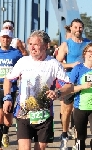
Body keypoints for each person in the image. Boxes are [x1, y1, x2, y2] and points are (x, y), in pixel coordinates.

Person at [3, 30, 74, 150]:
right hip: (23, 114)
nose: (32, 47)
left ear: (46, 45)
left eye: (36, 44)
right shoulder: (23, 61)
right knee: (25, 148)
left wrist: (57, 92)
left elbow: (69, 85)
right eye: (30, 44)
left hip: (44, 115)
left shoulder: (53, 64)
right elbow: (8, 79)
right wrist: (7, 97)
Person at [56, 18, 91, 149]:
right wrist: (71, 64)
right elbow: (57, 63)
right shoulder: (66, 44)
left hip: (85, 81)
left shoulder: (89, 43)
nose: (78, 30)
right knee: (66, 111)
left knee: (79, 112)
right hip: (70, 82)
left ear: (83, 28)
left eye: (80, 27)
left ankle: (78, 142)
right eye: (75, 27)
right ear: (71, 29)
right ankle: (64, 135)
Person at [70, 43, 92, 150]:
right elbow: (69, 89)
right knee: (80, 138)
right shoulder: (78, 68)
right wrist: (83, 86)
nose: (91, 54)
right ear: (85, 53)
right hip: (80, 108)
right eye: (89, 51)